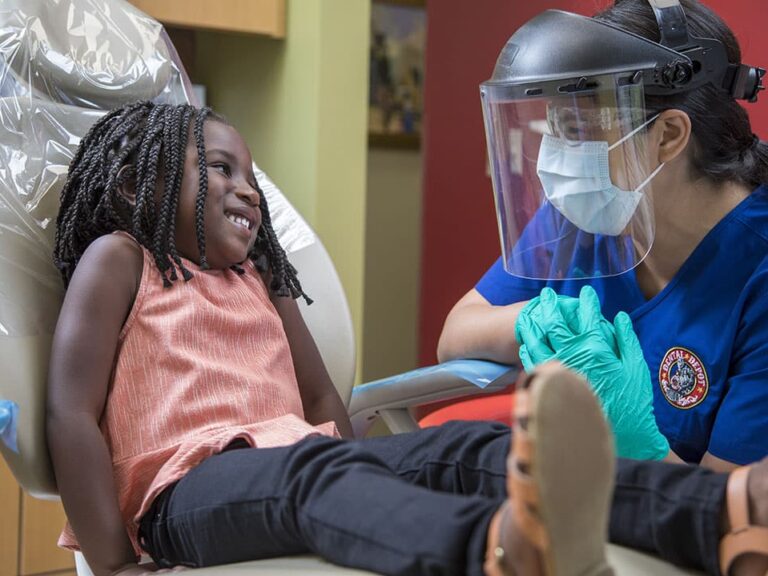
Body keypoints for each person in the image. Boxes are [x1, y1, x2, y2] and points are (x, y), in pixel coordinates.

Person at [45, 100, 768, 576]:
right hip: (188, 490)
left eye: (253, 175)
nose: (250, 190)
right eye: (221, 169)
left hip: (295, 458)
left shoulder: (262, 280)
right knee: (319, 477)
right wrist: (112, 562)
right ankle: (493, 553)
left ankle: (723, 513)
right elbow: (71, 414)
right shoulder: (122, 260)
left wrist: (381, 462)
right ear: (140, 189)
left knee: (465, 449)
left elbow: (322, 393)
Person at [438, 0, 768, 471]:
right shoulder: (589, 212)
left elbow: (730, 513)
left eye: (574, 129)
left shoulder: (757, 272)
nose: (554, 157)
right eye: (553, 127)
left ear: (669, 135)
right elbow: (456, 334)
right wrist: (544, 322)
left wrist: (640, 447)